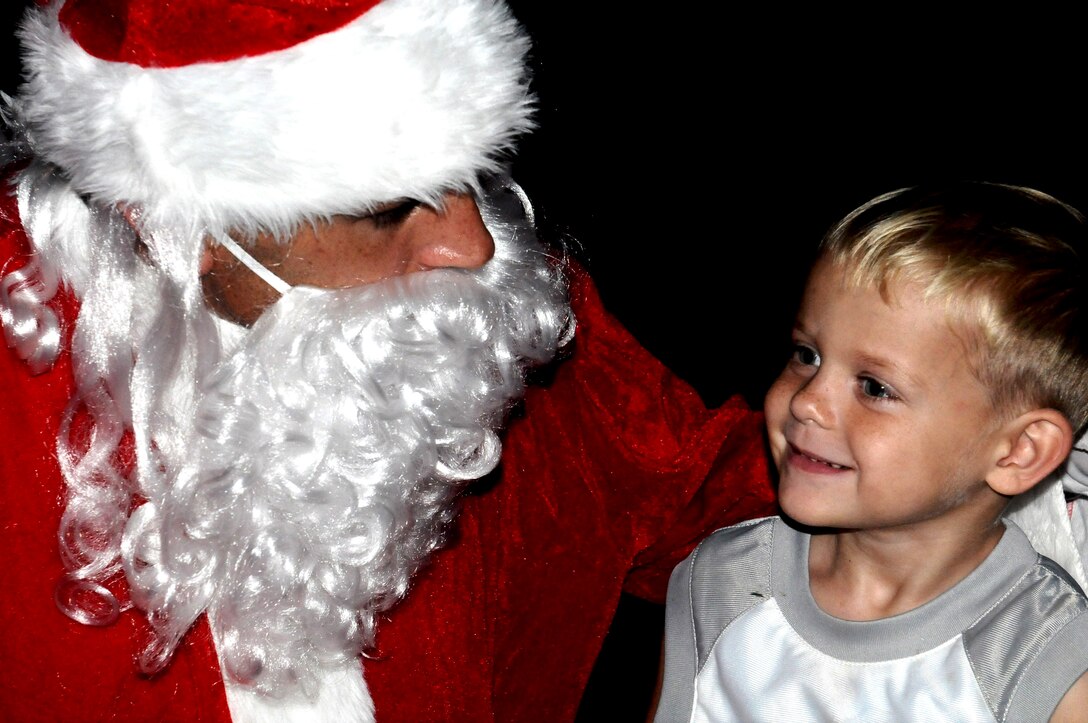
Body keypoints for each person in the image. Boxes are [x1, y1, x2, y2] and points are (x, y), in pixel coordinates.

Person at [0, 1, 777, 721]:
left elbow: (726, 491)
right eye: (389, 210)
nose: (475, 247)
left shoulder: (468, 315)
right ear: (173, 223)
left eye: (475, 178)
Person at [653, 182, 1088, 722]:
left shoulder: (1050, 661)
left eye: (874, 387)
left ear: (1019, 451)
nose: (808, 402)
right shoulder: (723, 581)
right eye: (807, 355)